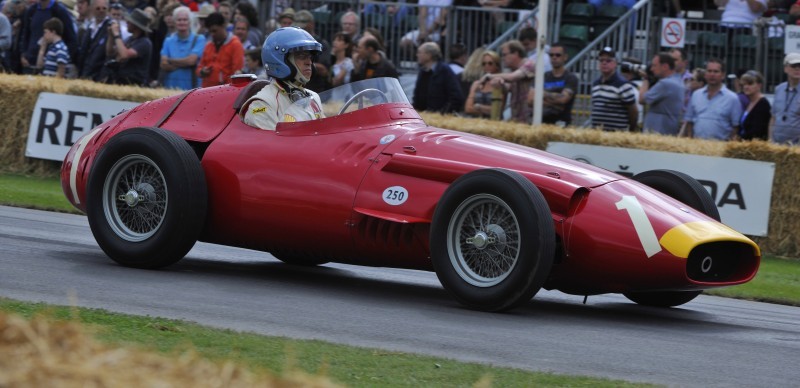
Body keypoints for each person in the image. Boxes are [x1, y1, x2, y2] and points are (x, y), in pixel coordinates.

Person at [240, 27, 324, 130]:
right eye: (302, 56)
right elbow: (272, 145)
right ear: (281, 60)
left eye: (310, 57)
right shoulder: (262, 104)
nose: (309, 62)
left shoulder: (313, 97)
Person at [682, 58, 742, 140]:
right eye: (709, 71)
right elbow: (689, 121)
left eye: (716, 71)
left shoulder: (732, 98)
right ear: (705, 74)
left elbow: (736, 127)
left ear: (723, 75)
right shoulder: (696, 95)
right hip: (696, 147)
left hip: (720, 147)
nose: (712, 74)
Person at [483, 40, 535, 123]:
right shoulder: (514, 69)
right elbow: (508, 88)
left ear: (515, 54)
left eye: (504, 55)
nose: (503, 58)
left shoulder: (529, 64)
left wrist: (489, 76)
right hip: (518, 118)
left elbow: (512, 77)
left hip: (530, 119)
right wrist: (500, 83)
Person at [19, 0, 77, 74]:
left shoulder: (59, 11)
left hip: (51, 65)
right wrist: (23, 54)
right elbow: (25, 34)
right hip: (30, 62)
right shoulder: (31, 10)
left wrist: (62, 60)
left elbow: (72, 39)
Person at [527, 43, 578, 126]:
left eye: (558, 55)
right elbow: (530, 100)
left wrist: (541, 94)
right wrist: (555, 104)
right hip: (541, 122)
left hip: (560, 124)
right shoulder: (542, 77)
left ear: (565, 57)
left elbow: (563, 99)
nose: (554, 57)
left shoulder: (570, 78)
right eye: (551, 55)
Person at [590, 46, 638, 131]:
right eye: (601, 60)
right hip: (597, 133)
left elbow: (633, 111)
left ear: (615, 63)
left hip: (616, 134)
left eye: (608, 61)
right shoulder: (595, 84)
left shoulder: (623, 84)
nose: (604, 63)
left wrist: (631, 130)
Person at [638, 52, 685, 136]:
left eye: (654, 65)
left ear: (665, 67)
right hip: (667, 129)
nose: (652, 69)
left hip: (657, 132)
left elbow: (642, 99)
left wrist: (645, 79)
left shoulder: (665, 84)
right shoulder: (678, 81)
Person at [159, 5, 204, 90]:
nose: (182, 22)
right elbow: (163, 64)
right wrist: (184, 63)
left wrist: (170, 60)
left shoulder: (199, 39)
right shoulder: (168, 40)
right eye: (179, 20)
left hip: (191, 88)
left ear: (189, 22)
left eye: (185, 20)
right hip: (169, 87)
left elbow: (191, 61)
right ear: (174, 22)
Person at [104, 7, 152, 85]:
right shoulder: (129, 39)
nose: (127, 22)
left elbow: (124, 55)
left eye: (130, 21)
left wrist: (117, 34)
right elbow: (110, 52)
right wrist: (111, 36)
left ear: (136, 25)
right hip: (121, 81)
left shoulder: (144, 42)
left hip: (134, 84)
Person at [412, 41, 464, 114]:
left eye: (420, 52)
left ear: (429, 55)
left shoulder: (445, 71)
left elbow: (456, 97)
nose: (417, 55)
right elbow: (417, 96)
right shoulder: (423, 72)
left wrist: (442, 113)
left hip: (439, 119)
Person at [196, 11, 243, 88]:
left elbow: (237, 72)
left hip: (226, 91)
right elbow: (199, 68)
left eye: (214, 31)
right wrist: (202, 71)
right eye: (210, 31)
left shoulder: (235, 44)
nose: (212, 34)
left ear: (223, 26)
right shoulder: (209, 45)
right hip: (207, 91)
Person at [464, 49, 505, 119]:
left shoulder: (500, 83)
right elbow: (468, 108)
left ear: (497, 65)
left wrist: (478, 107)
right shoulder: (477, 84)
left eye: (490, 63)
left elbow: (497, 110)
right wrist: (486, 109)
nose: (486, 66)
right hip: (475, 122)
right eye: (484, 64)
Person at [769, 52, 800, 144]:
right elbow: (773, 117)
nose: (797, 68)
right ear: (785, 68)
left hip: (796, 147)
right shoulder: (779, 89)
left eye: (799, 65)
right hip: (777, 145)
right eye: (794, 65)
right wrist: (770, 141)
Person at [77, 0, 109, 80]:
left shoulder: (110, 27)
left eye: (104, 8)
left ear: (108, 9)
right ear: (92, 9)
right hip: (85, 72)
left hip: (99, 75)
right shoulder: (89, 27)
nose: (101, 11)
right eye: (98, 8)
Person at [738, 70, 771, 140]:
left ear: (759, 85)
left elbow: (757, 131)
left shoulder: (763, 104)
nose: (746, 87)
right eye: (744, 84)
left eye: (750, 84)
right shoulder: (749, 102)